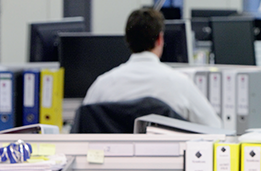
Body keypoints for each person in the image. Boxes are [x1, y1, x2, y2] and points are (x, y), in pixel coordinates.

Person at [83, 8, 222, 128]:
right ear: (160, 39)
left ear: (127, 40)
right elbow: (215, 128)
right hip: (167, 158)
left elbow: (83, 123)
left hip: (115, 158)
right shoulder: (179, 83)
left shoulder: (102, 84)